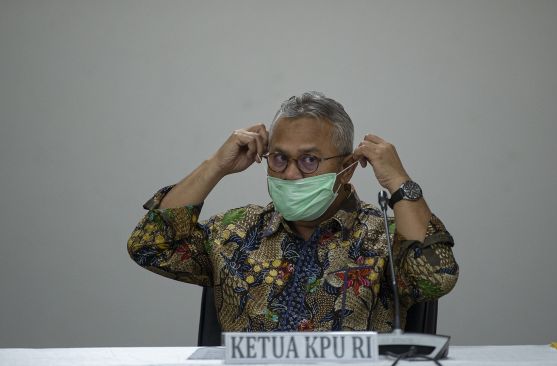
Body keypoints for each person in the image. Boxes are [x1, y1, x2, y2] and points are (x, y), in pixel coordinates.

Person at [127, 91, 458, 332]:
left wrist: (400, 182)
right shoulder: (234, 232)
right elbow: (149, 246)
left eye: (310, 160)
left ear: (347, 168)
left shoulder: (381, 237)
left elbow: (436, 278)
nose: (290, 173)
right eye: (279, 158)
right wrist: (216, 165)